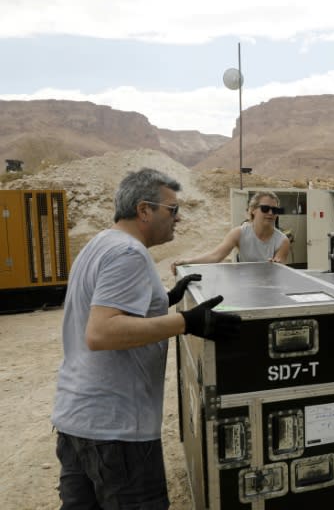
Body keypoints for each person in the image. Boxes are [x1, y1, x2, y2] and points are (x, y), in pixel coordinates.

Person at [51, 168, 242, 509]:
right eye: (172, 210)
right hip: (117, 432)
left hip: (76, 422)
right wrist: (185, 321)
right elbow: (101, 332)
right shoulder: (129, 254)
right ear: (143, 210)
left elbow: (102, 309)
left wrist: (164, 300)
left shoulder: (100, 244)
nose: (178, 219)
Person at [171, 191, 290, 274]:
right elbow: (215, 256)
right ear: (253, 210)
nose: (270, 213)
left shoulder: (282, 241)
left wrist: (276, 265)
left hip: (270, 286)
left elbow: (279, 266)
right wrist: (187, 261)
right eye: (265, 208)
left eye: (275, 210)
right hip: (246, 283)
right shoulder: (239, 233)